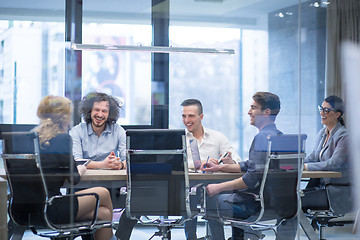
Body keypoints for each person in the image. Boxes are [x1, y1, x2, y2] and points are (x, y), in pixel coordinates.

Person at [201, 92, 284, 240]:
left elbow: (251, 178)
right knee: (223, 194)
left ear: (266, 112)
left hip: (254, 205)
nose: (249, 112)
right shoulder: (278, 135)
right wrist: (220, 167)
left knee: (211, 199)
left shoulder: (262, 138)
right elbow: (251, 165)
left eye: (253, 108)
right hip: (274, 203)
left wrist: (218, 187)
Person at [34, 95, 114, 240]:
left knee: (104, 214)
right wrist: (81, 169)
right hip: (51, 207)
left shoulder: (32, 138)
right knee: (103, 192)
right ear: (64, 118)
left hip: (24, 209)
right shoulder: (61, 140)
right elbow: (73, 179)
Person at [181, 98, 242, 240]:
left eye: (191, 116)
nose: (186, 120)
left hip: (215, 185)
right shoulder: (180, 138)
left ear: (201, 117)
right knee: (188, 196)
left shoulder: (218, 137)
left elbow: (236, 160)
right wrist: (197, 163)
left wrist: (229, 161)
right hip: (188, 186)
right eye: (184, 116)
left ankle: (218, 237)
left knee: (213, 196)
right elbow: (174, 162)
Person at [70, 91, 126, 170]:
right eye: (96, 110)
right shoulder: (77, 131)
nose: (100, 114)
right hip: (85, 180)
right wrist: (103, 165)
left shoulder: (118, 130)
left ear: (110, 114)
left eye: (104, 111)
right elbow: (77, 161)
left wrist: (120, 165)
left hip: (112, 180)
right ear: (90, 111)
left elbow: (129, 160)